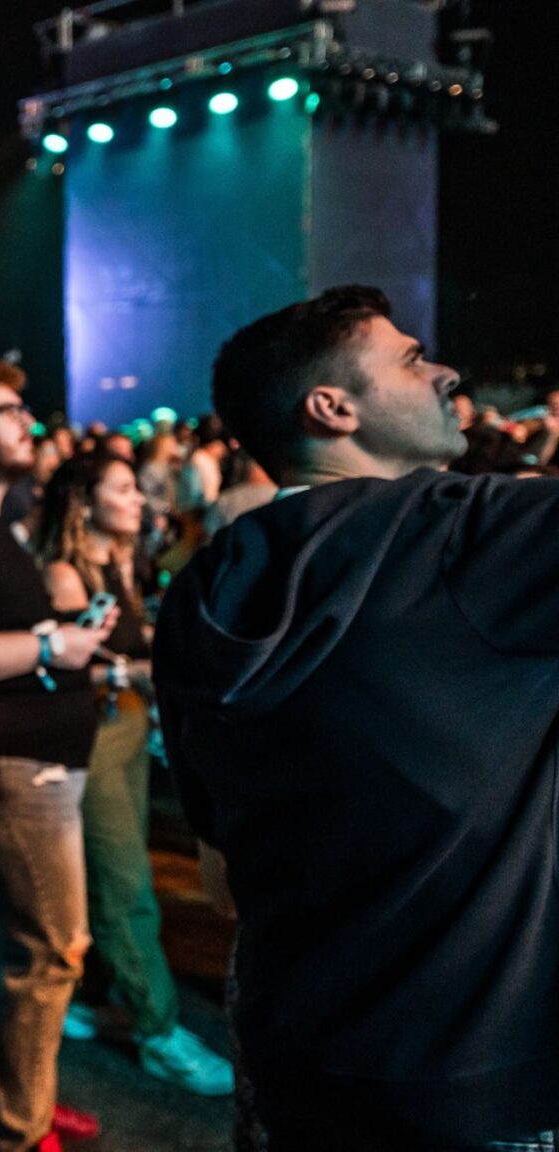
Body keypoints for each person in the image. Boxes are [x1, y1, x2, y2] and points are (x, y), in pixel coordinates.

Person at [156, 285, 559, 1148]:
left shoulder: (199, 591)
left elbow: (220, 880)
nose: (444, 371)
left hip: (294, 1063)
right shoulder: (469, 538)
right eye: (412, 359)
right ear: (332, 407)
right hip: (478, 1076)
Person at [0, 359, 115, 1152]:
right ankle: (20, 1129)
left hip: (24, 760)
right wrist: (50, 642)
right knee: (50, 947)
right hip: (12, 765)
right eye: (9, 411)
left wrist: (69, 649)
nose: (28, 423)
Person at [35, 453, 233, 1097]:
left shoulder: (120, 561)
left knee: (110, 876)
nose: (139, 500)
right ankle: (158, 1032)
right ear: (83, 503)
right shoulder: (66, 575)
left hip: (124, 731)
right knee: (125, 885)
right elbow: (53, 672)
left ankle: (95, 998)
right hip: (92, 732)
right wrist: (135, 672)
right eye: (122, 489)